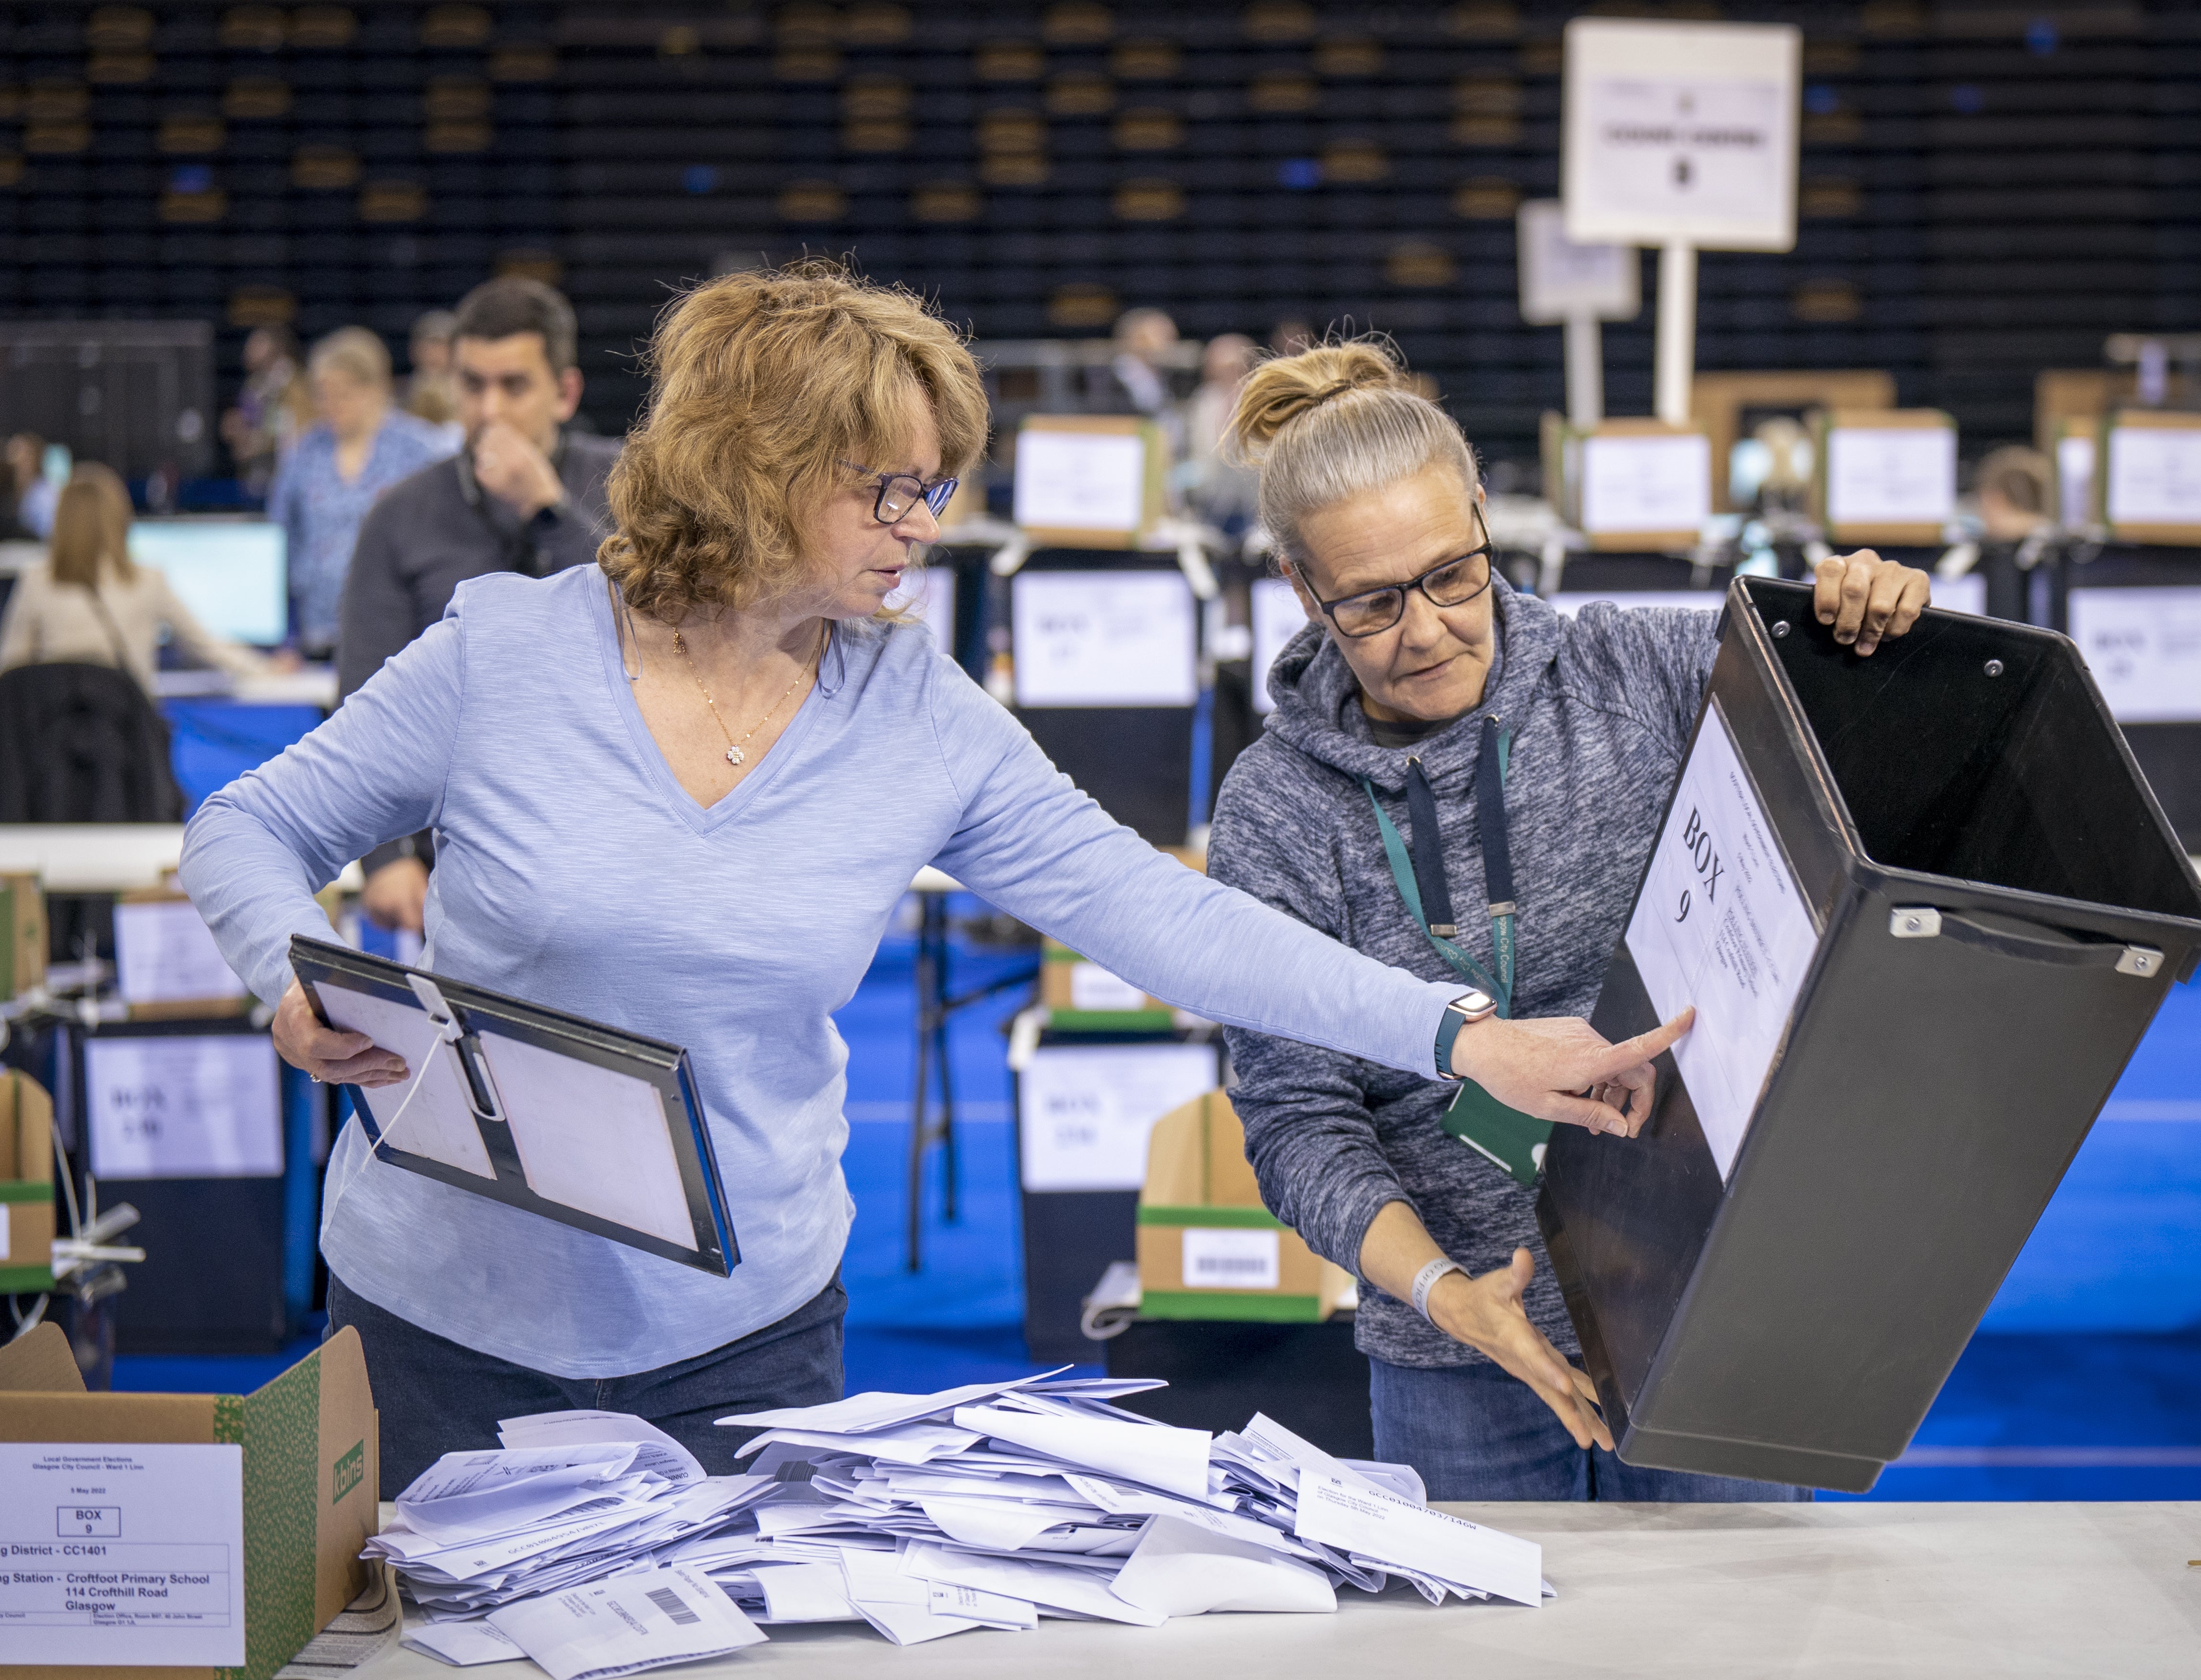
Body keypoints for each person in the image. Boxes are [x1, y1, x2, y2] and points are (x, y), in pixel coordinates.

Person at [179, 262, 1691, 1496]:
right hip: (439, 1321)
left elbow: (1164, 913)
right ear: (757, 471)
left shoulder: (916, 712)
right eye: (890, 490)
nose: (925, 526)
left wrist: (1458, 1036)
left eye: (935, 488)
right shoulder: (506, 649)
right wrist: (286, 971)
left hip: (745, 1337)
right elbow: (246, 827)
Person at [1205, 340, 1931, 1502]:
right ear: (1300, 587)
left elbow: (1877, 743)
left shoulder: (1635, 670)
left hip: (1706, 1311)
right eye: (1373, 602)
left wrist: (1868, 618)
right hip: (1455, 1361)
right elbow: (1295, 1122)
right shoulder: (1276, 808)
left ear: (1487, 516)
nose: (1430, 626)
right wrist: (1450, 1296)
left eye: (1454, 573)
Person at [337, 277, 620, 939]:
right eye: (473, 385)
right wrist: (382, 858)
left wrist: (547, 511)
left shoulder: (628, 486)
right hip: (457, 869)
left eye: (514, 386)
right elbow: (362, 699)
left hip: (615, 846)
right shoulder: (399, 517)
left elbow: (668, 620)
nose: (489, 409)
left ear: (566, 393)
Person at [0, 464, 272, 693]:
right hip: (127, 743)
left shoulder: (37, 581)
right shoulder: (148, 582)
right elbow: (205, 647)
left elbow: (8, 669)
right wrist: (266, 667)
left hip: (51, 742)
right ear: (120, 518)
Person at [266, 328, 451, 657]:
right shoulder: (305, 453)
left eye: (344, 393)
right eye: (322, 394)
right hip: (319, 630)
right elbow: (282, 539)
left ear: (376, 389)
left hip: (399, 631)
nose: (331, 405)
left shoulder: (419, 450)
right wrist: (288, 636)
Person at [1179, 332, 1259, 536]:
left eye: (1233, 368)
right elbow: (1195, 450)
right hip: (1210, 501)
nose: (1227, 376)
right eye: (1219, 369)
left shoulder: (1259, 399)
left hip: (1252, 502)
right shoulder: (1204, 400)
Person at [221, 324, 307, 495]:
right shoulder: (255, 385)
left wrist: (254, 444)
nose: (249, 348)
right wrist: (237, 430)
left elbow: (290, 432)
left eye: (258, 344)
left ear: (276, 347)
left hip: (284, 476)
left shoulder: (295, 385)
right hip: (256, 474)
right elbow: (250, 424)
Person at [401, 309, 461, 433]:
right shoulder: (397, 397)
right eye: (430, 345)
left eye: (442, 345)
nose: (435, 353)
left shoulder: (468, 396)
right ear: (414, 349)